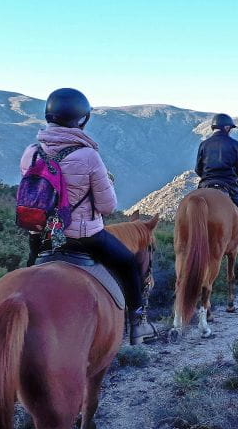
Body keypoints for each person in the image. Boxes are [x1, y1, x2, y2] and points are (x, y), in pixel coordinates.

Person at [21, 87, 148, 343]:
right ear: (82, 119)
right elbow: (107, 207)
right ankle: (137, 322)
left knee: (28, 272)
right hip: (85, 237)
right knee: (128, 264)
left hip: (42, 236)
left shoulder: (31, 152)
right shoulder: (88, 156)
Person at [195, 113, 238, 254]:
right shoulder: (234, 144)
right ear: (226, 127)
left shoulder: (204, 144)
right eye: (230, 128)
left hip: (206, 184)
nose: (230, 130)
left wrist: (206, 179)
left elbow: (197, 169)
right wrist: (237, 182)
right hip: (228, 184)